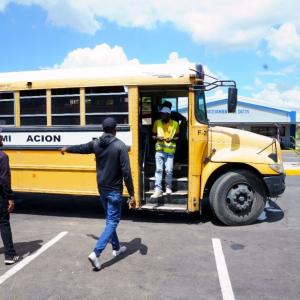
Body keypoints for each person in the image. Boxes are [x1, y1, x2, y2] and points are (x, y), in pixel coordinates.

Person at [61, 117, 135, 270]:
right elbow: (126, 172)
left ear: (103, 129)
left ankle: (116, 248)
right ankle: (96, 253)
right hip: (114, 190)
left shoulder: (96, 144)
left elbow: (81, 148)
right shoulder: (120, 146)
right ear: (115, 129)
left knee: (110, 219)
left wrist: (66, 149)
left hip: (102, 188)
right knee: (113, 221)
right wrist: (132, 193)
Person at [0, 131, 21, 265]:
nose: (2, 138)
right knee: (4, 224)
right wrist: (10, 198)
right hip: (0, 195)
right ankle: (10, 255)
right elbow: (4, 180)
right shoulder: (3, 157)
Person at [151, 107, 179, 198]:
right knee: (159, 170)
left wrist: (172, 139)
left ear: (168, 115)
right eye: (161, 114)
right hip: (159, 150)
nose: (162, 115)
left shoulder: (175, 124)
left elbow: (178, 137)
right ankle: (158, 189)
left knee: (169, 170)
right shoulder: (157, 122)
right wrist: (157, 138)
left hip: (170, 151)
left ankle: (168, 187)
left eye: (164, 114)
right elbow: (153, 136)